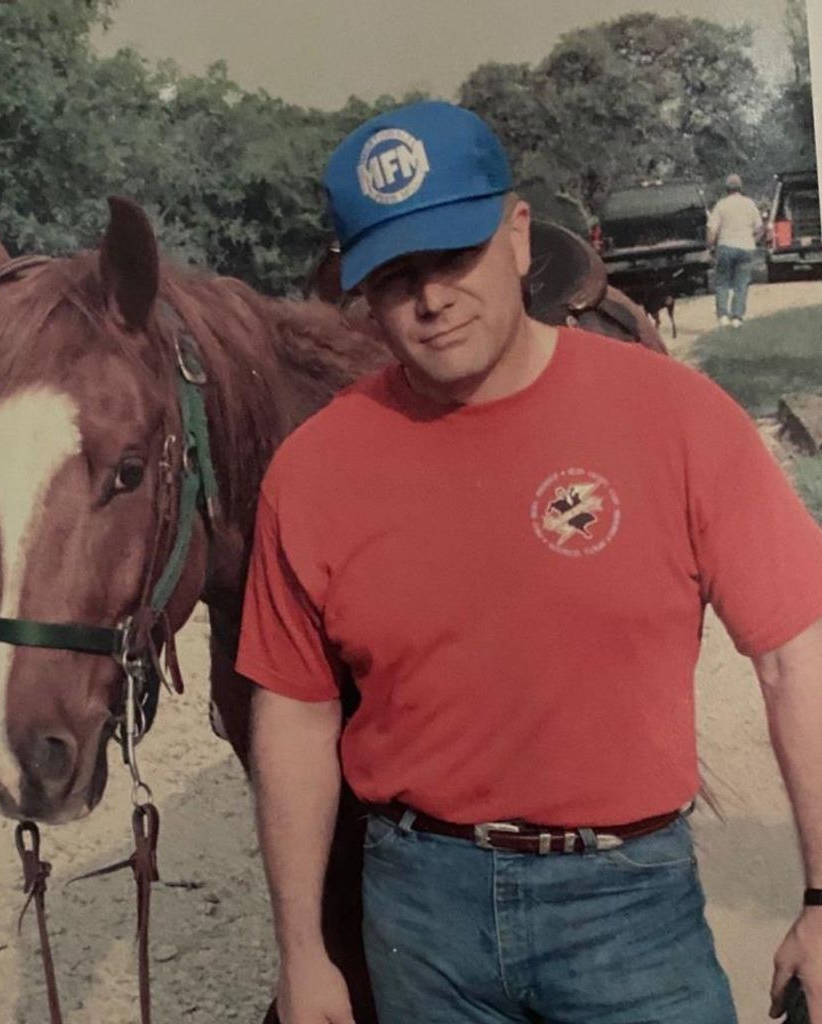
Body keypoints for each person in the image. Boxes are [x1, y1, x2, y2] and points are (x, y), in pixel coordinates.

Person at [236, 100, 822, 1024]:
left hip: (629, 910)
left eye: (453, 256)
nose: (431, 299)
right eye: (395, 276)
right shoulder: (312, 471)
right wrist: (302, 952)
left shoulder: (674, 417)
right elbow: (296, 715)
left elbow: (795, 656)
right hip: (420, 915)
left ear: (516, 238)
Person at [708, 173, 764, 328]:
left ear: (726, 189)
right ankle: (737, 317)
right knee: (741, 283)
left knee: (722, 282)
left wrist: (710, 247)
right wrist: (753, 241)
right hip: (746, 247)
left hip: (726, 246)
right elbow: (760, 229)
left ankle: (723, 315)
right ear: (741, 188)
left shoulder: (721, 205)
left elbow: (711, 230)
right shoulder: (749, 204)